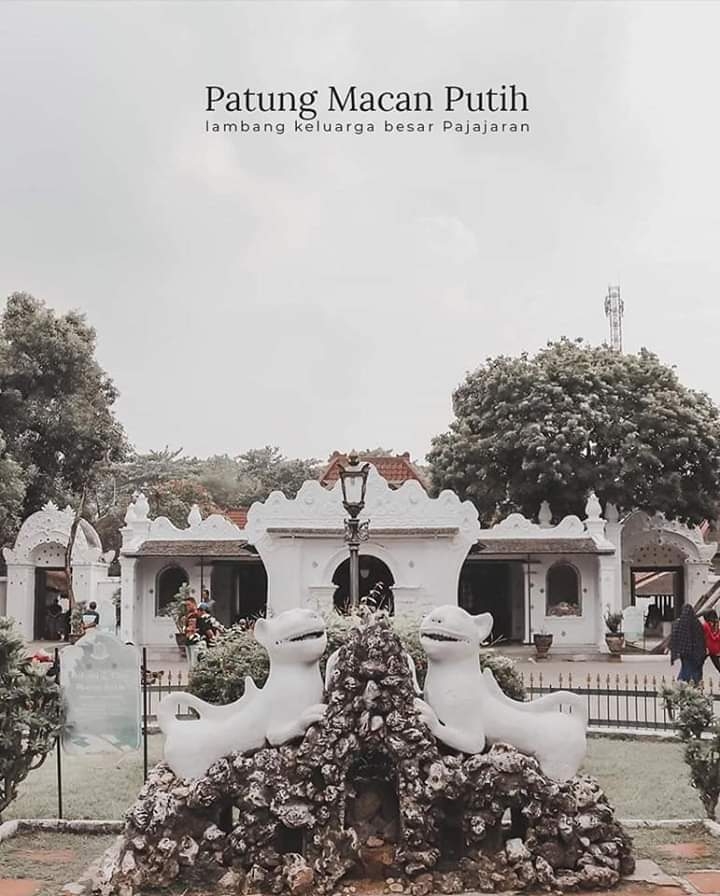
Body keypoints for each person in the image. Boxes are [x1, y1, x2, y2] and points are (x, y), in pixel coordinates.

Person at [670, 604, 706, 684]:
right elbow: (701, 639)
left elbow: (674, 638)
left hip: (683, 653)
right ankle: (693, 686)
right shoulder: (696, 623)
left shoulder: (678, 623)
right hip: (695, 652)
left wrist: (675, 651)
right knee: (694, 671)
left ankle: (681, 686)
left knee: (685, 669)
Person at [702, 609, 720, 674]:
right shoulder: (707, 625)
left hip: (711, 648)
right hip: (712, 648)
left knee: (698, 664)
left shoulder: (709, 624)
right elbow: (713, 637)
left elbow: (712, 636)